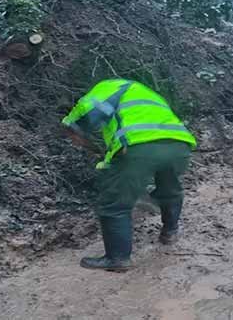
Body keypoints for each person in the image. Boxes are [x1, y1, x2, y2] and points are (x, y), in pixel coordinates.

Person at [61, 79, 196, 271]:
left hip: (140, 146)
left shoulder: (108, 87)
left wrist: (69, 122)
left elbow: (87, 109)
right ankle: (170, 232)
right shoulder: (147, 93)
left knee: (114, 204)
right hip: (180, 144)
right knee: (170, 188)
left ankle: (118, 258)